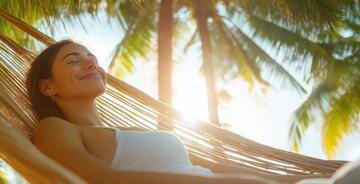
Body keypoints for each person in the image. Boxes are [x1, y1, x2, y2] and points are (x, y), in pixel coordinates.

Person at [26, 39, 336, 184]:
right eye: (74, 60)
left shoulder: (139, 133)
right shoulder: (54, 129)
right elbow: (100, 179)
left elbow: (219, 167)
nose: (92, 63)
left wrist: (307, 174)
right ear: (47, 87)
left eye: (92, 57)